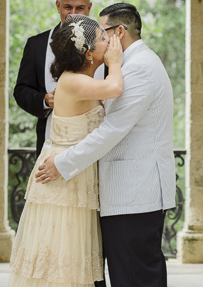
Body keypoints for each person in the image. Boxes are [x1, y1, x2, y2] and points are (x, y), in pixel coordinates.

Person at [36, 3, 176, 287]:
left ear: (119, 32)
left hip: (134, 193)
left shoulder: (139, 68)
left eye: (103, 32)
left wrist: (63, 164)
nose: (97, 37)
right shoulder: (128, 66)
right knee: (130, 275)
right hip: (127, 194)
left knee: (136, 277)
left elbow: (113, 129)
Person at [9, 15, 124, 287]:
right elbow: (115, 88)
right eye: (102, 38)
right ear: (88, 54)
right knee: (62, 259)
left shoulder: (80, 78)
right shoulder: (71, 81)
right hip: (64, 178)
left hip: (75, 173)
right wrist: (116, 62)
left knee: (75, 259)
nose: (109, 39)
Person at [13, 0, 103, 155]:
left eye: (80, 8)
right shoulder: (36, 45)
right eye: (68, 7)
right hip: (51, 139)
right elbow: (21, 91)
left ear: (90, 7)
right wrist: (44, 100)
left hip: (96, 141)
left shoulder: (103, 44)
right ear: (58, 5)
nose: (73, 14)